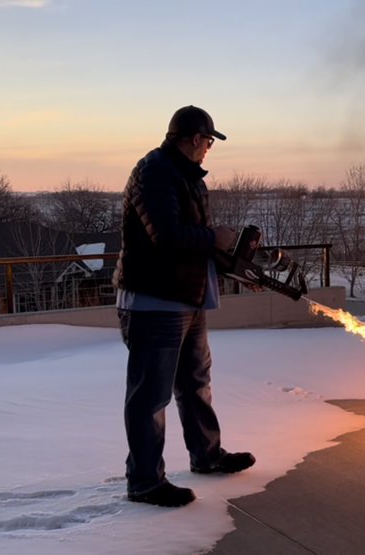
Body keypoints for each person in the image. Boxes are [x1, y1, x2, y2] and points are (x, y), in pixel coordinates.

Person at [112, 105, 256, 507]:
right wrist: (215, 238)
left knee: (195, 383)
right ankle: (144, 482)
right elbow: (167, 236)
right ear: (195, 138)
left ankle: (207, 455)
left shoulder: (186, 176)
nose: (210, 148)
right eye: (209, 141)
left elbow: (192, 238)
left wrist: (229, 250)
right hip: (154, 303)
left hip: (187, 300)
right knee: (150, 395)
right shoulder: (154, 172)